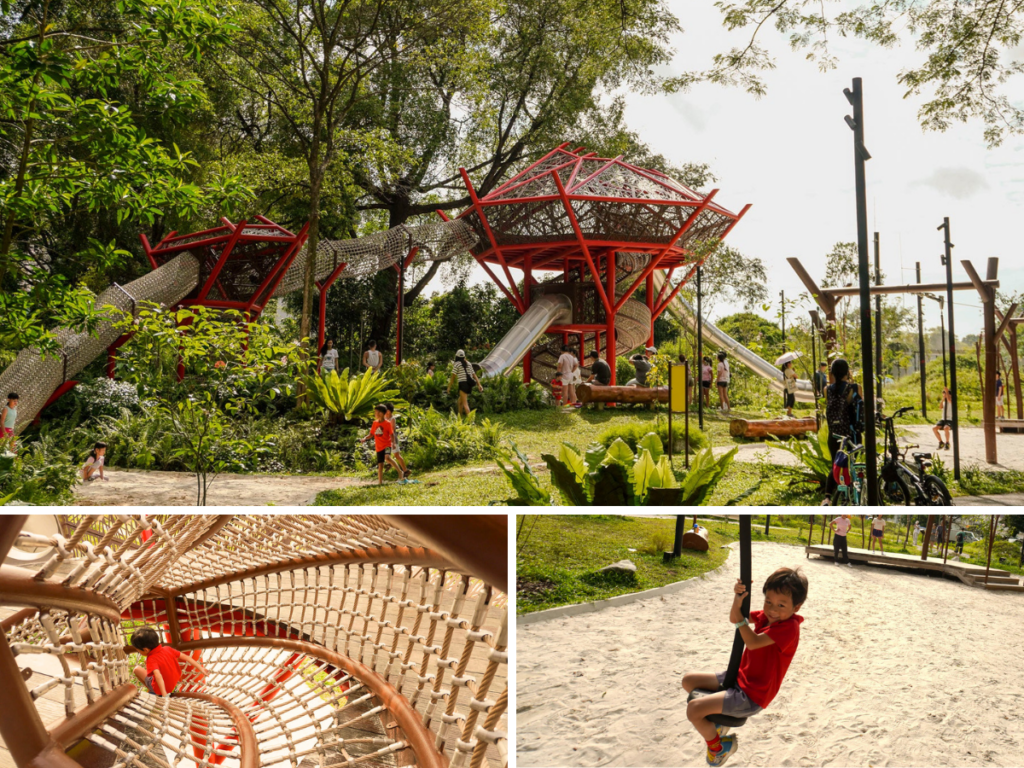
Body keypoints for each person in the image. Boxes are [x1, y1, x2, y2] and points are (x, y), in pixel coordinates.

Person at [681, 567, 806, 767]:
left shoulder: (789, 627)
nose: (772, 609)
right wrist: (737, 599)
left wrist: (741, 620)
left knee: (694, 710)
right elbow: (735, 617)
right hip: (740, 677)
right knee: (689, 681)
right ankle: (719, 726)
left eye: (781, 605)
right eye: (768, 602)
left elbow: (753, 641)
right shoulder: (767, 616)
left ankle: (718, 749)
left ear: (796, 607)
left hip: (752, 695)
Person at [822, 359, 861, 505]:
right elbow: (860, 409)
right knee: (852, 465)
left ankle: (827, 498)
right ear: (847, 372)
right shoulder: (855, 388)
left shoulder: (827, 390)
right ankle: (848, 496)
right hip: (850, 434)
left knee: (836, 464)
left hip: (834, 435)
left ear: (832, 373)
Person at [128, 626, 206, 696]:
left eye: (138, 650)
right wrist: (201, 669)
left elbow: (158, 676)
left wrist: (164, 694)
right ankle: (155, 690)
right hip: (172, 685)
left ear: (145, 650)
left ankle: (153, 691)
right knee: (150, 666)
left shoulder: (151, 659)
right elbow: (187, 657)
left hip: (161, 690)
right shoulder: (168, 649)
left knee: (136, 669)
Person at [360, 404, 405, 485]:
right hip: (379, 446)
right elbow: (371, 434)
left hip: (387, 444)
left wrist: (393, 443)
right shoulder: (374, 423)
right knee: (380, 465)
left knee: (387, 457)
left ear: (381, 413)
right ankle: (380, 483)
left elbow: (391, 434)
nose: (375, 414)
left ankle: (400, 471)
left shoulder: (387, 423)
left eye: (376, 412)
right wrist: (365, 438)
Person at [448, 349, 484, 416]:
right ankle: (459, 417)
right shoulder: (469, 364)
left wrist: (449, 387)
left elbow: (453, 377)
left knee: (465, 404)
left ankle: (471, 420)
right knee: (460, 402)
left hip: (463, 384)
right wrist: (479, 385)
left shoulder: (457, 364)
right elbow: (474, 375)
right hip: (469, 384)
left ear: (456, 357)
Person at [384, 403, 412, 481]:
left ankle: (405, 471)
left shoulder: (392, 419)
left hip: (393, 439)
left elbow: (392, 430)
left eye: (386, 410)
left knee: (397, 455)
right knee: (386, 457)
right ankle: (391, 464)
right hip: (386, 440)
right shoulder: (384, 417)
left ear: (389, 411)